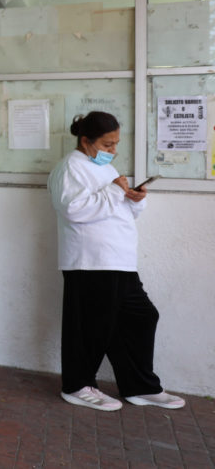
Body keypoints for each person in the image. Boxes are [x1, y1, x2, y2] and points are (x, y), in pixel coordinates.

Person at [48, 111, 184, 411]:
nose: (113, 151)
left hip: (118, 260)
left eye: (115, 144)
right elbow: (73, 210)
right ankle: (76, 386)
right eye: (107, 145)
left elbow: (116, 208)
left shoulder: (105, 167)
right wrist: (114, 190)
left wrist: (134, 199)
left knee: (141, 317)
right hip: (89, 261)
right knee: (90, 328)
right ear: (86, 141)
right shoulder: (70, 167)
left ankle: (139, 387)